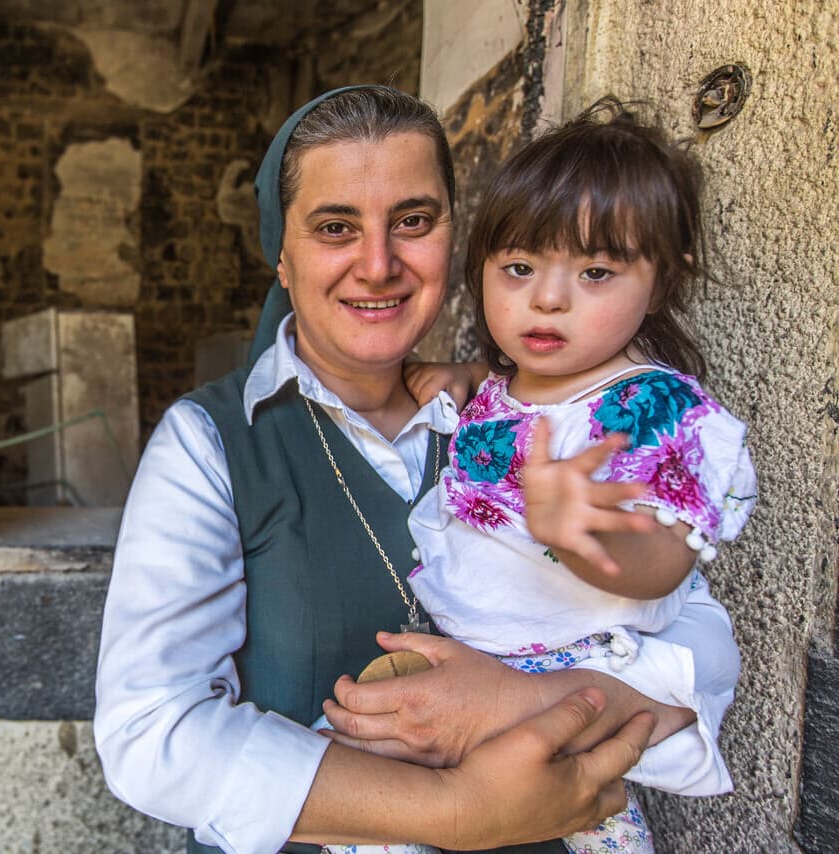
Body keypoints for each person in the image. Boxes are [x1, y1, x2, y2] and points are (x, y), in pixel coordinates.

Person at [94, 86, 740, 854]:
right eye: (336, 227)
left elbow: (696, 642)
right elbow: (151, 735)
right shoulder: (211, 443)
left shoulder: (527, 424)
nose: (379, 265)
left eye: (414, 221)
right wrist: (451, 808)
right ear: (282, 256)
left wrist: (523, 701)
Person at [323, 102, 756, 854]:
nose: (547, 298)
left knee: (586, 811)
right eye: (519, 268)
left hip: (573, 672)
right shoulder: (511, 381)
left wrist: (585, 538)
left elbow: (666, 564)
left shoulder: (650, 407)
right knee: (363, 806)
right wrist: (460, 374)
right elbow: (499, 391)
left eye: (595, 272)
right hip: (478, 657)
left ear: (659, 283)